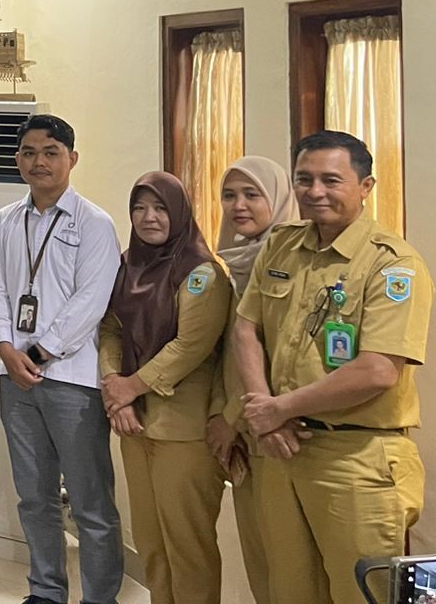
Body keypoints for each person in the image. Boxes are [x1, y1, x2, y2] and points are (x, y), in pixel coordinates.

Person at [233, 131, 429, 604]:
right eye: (304, 179)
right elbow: (246, 328)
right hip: (283, 450)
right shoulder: (282, 246)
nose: (315, 191)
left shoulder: (392, 265)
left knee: (362, 594)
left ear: (365, 186)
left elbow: (378, 370)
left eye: (331, 180)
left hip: (356, 459)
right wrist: (267, 414)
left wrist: (279, 408)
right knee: (289, 591)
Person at [0, 114, 123, 604]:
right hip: (15, 377)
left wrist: (39, 352)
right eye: (28, 152)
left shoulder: (94, 223)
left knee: (90, 502)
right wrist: (6, 348)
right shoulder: (5, 220)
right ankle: (45, 590)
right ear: (17, 159)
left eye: (50, 152)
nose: (38, 161)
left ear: (72, 158)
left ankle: (100, 596)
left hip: (73, 379)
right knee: (34, 496)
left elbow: (92, 300)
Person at [98, 172, 229, 604]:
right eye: (139, 208)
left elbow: (191, 345)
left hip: (183, 428)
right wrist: (114, 390)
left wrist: (129, 388)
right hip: (135, 426)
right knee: (151, 542)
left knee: (188, 546)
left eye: (159, 208)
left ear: (179, 213)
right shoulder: (127, 265)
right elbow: (111, 329)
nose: (148, 217)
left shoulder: (202, 272)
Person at [206, 154, 298, 604]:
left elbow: (274, 355)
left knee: (289, 566)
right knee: (259, 558)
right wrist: (223, 417)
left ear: (278, 199)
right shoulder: (232, 264)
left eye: (251, 194)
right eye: (229, 195)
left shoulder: (291, 264)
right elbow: (227, 351)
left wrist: (231, 417)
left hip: (280, 431)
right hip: (244, 433)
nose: (238, 205)